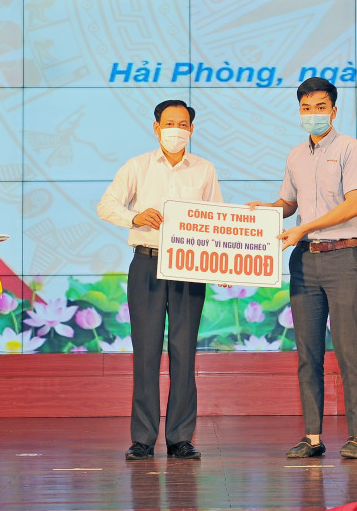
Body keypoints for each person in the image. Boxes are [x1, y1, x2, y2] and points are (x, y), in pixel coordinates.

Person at [248, 77, 357, 459]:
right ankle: (312, 437)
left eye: (320, 107)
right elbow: (289, 203)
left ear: (333, 110)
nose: (312, 114)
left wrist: (304, 226)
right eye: (306, 108)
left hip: (342, 258)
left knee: (347, 350)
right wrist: (264, 211)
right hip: (304, 260)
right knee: (307, 353)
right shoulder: (295, 155)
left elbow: (354, 205)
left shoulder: (352, 149)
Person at [97, 100, 222, 461]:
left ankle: (181, 438)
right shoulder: (137, 166)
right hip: (147, 264)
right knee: (146, 353)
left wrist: (224, 265)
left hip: (189, 267)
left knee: (184, 352)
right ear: (156, 128)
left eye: (183, 124)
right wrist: (135, 218)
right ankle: (143, 439)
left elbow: (217, 220)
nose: (176, 130)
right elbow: (106, 205)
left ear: (191, 130)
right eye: (169, 123)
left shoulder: (204, 169)